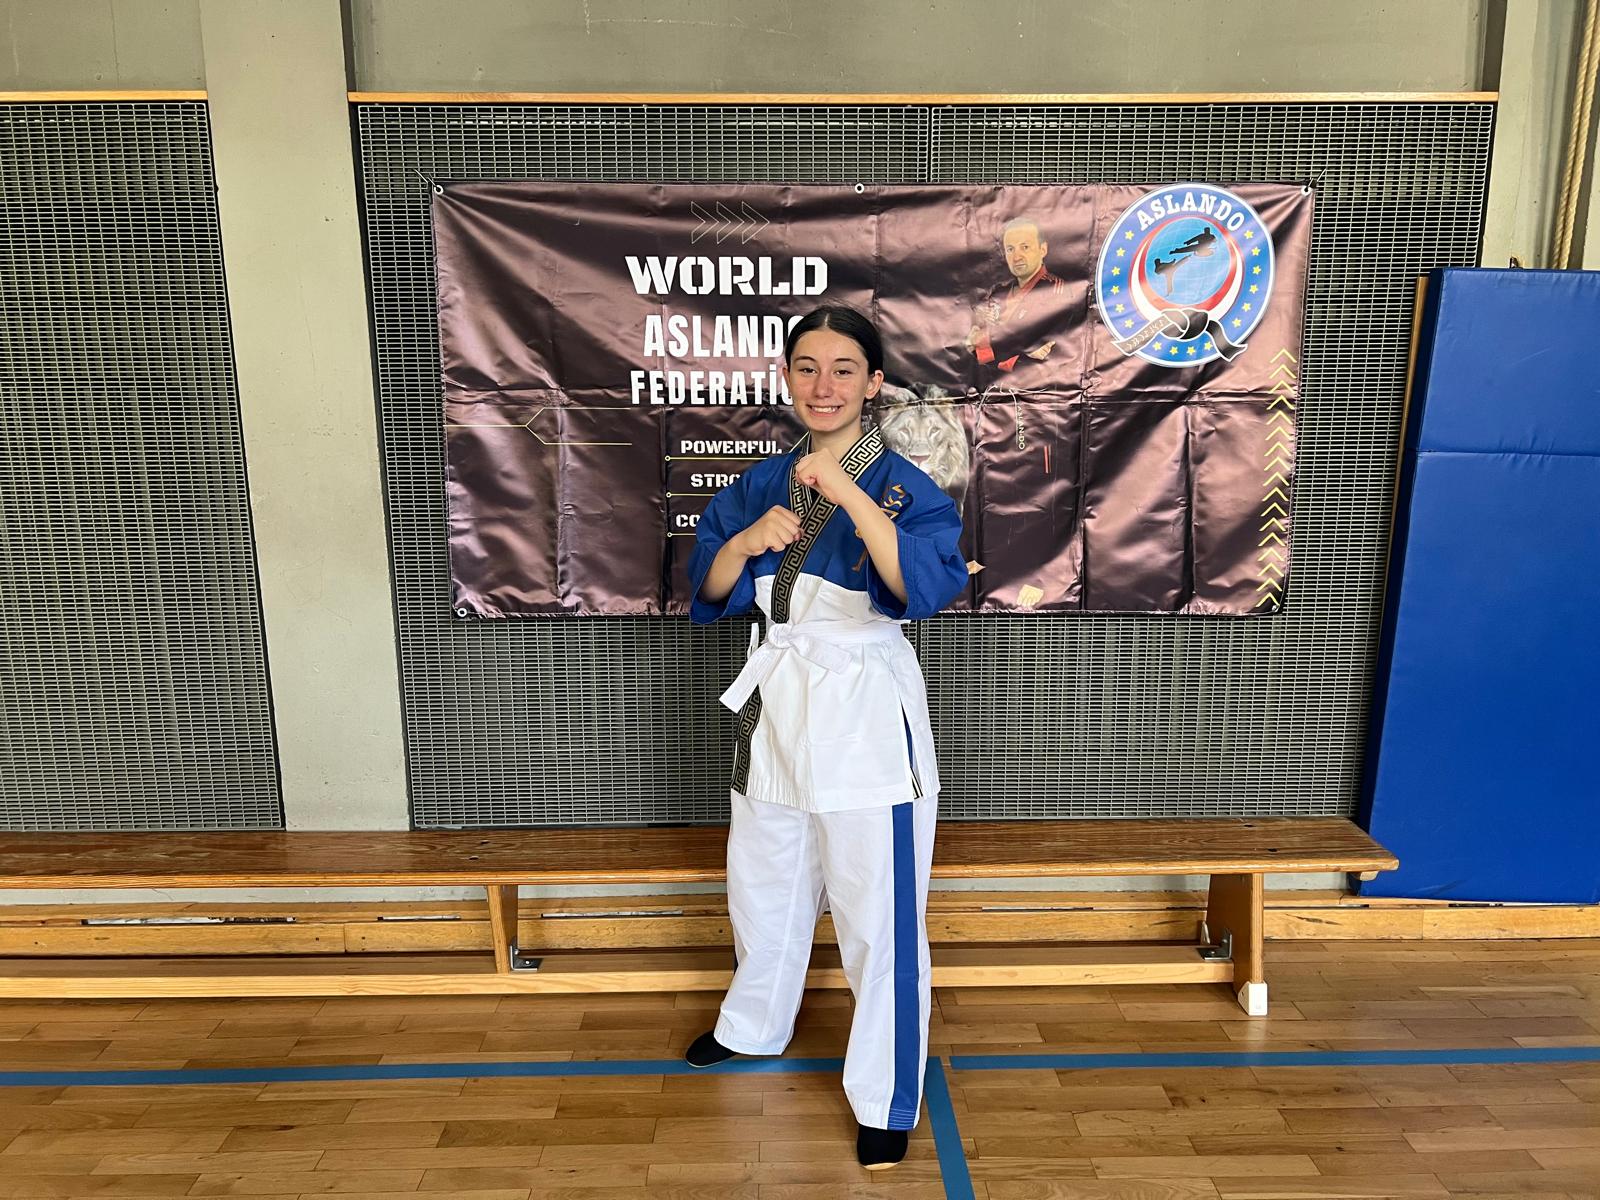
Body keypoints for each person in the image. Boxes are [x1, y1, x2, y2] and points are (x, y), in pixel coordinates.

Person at [684, 305, 969, 1170]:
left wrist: (848, 495)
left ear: (873, 384)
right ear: (786, 378)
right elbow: (710, 586)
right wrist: (744, 541)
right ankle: (754, 1025)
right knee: (765, 881)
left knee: (877, 912)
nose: (824, 385)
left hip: (863, 713)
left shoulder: (905, 489)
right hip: (777, 702)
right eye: (806, 367)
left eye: (844, 369)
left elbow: (922, 587)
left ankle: (885, 1095)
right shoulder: (763, 481)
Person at [963, 215, 1071, 371]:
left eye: (1025, 247)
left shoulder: (1056, 289)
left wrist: (981, 346)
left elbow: (1034, 350)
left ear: (1043, 250)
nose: (1017, 257)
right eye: (1010, 249)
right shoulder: (998, 292)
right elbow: (973, 341)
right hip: (991, 383)